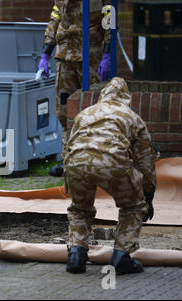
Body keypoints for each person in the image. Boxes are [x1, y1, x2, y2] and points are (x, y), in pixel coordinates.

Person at [64, 77, 157, 274]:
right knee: (133, 206)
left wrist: (67, 176)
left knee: (80, 208)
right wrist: (148, 195)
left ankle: (76, 254)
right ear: (126, 98)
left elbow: (70, 144)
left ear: (103, 95)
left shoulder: (84, 113)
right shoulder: (131, 117)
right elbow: (145, 161)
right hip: (112, 162)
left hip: (76, 163)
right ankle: (121, 256)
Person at [38, 0, 112, 177]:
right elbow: (55, 18)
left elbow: (111, 21)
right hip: (65, 58)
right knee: (65, 110)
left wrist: (108, 53)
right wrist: (46, 53)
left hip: (91, 58)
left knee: (94, 111)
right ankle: (68, 160)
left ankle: (93, 160)